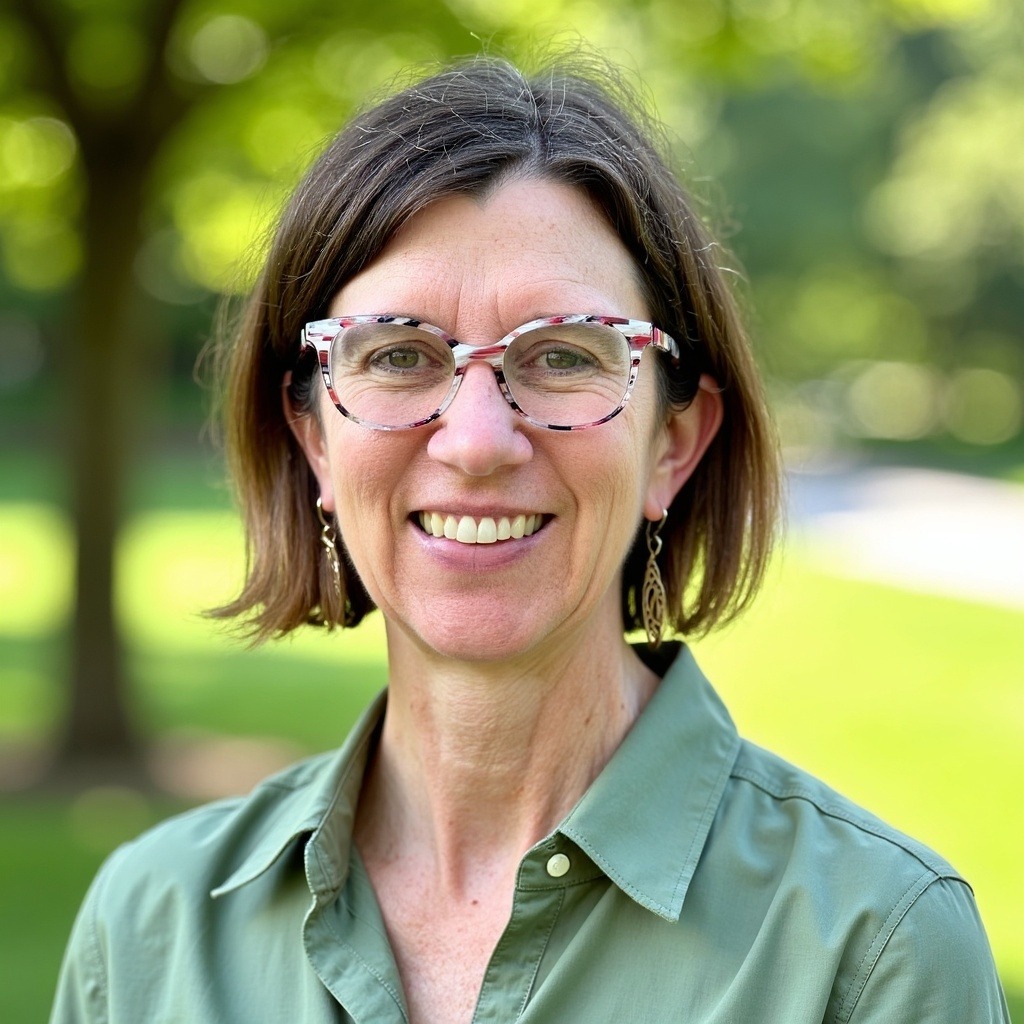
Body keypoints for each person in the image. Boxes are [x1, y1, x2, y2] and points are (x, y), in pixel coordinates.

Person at [51, 56, 1009, 1023]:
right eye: (397, 354)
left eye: (561, 356)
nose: (474, 441)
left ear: (672, 442)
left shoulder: (873, 950)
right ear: (316, 442)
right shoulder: (149, 929)